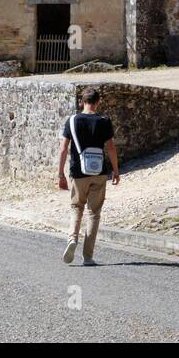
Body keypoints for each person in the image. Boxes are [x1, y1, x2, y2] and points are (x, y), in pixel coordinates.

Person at [57, 87, 119, 266]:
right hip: (99, 172)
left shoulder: (72, 121)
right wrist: (115, 170)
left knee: (76, 207)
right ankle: (88, 257)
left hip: (78, 172)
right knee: (94, 213)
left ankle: (72, 239)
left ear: (82, 102)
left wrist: (60, 174)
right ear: (98, 102)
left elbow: (63, 149)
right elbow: (111, 148)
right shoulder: (104, 121)